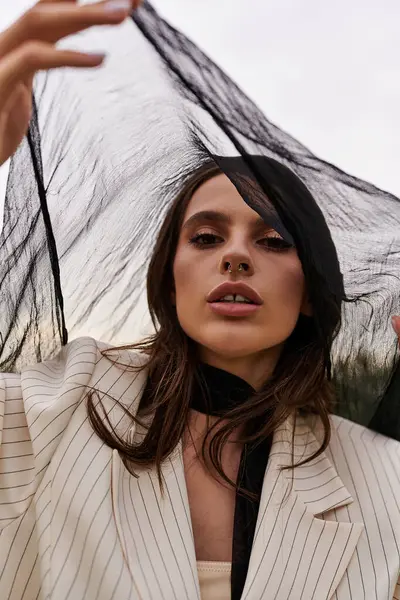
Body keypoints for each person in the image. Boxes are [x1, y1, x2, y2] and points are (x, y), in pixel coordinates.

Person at [1, 2, 400, 600]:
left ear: (312, 294)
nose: (236, 257)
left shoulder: (382, 473)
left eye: (273, 240)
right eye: (206, 237)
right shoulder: (52, 410)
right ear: (169, 280)